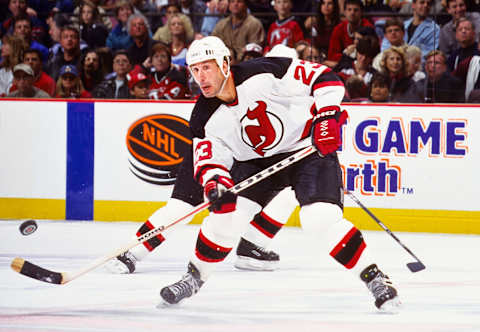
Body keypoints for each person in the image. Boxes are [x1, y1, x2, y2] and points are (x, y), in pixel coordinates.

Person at [158, 36, 400, 311]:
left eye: (207, 67)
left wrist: (326, 116)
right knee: (224, 219)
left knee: (319, 218)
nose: (201, 77)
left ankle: (375, 278)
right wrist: (216, 186)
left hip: (306, 152)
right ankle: (193, 277)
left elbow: (323, 77)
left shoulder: (263, 72)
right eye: (195, 70)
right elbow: (209, 161)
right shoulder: (203, 116)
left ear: (225, 64)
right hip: (255, 163)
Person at [327, 0, 374, 67]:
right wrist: (346, 53)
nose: (352, 13)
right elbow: (332, 55)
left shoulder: (368, 28)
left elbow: (371, 54)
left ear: (361, 12)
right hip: (343, 65)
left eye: (355, 10)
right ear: (345, 12)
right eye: (349, 10)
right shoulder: (338, 29)